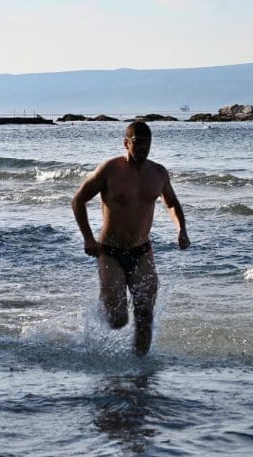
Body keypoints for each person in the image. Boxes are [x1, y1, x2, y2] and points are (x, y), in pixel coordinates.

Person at [72, 121, 190, 355]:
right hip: (110, 252)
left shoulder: (158, 173)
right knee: (117, 320)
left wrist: (181, 229)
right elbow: (78, 200)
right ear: (126, 143)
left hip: (142, 250)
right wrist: (88, 238)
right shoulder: (109, 170)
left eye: (147, 143)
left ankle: (140, 367)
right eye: (138, 143)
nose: (143, 147)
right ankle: (101, 311)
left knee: (145, 314)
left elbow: (171, 203)